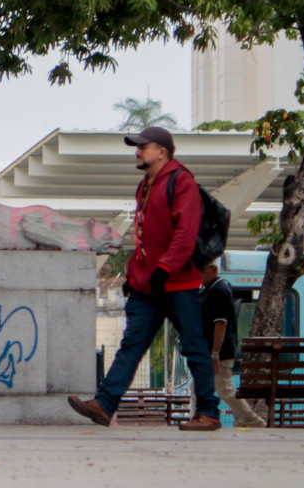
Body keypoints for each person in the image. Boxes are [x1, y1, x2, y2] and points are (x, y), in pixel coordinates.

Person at [68, 126, 222, 431]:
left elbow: (185, 233)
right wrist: (134, 276)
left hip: (178, 283)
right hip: (148, 285)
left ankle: (209, 412)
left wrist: (164, 269)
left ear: (162, 152)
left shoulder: (182, 182)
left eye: (143, 147)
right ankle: (105, 404)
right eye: (137, 147)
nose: (137, 151)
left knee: (194, 348)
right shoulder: (145, 186)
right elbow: (144, 238)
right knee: (131, 345)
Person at [201, 262, 264, 427]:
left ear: (213, 270)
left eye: (201, 270)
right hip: (208, 349)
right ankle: (198, 416)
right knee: (199, 385)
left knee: (225, 389)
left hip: (219, 351)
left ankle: (253, 420)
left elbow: (220, 324)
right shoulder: (209, 289)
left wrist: (215, 353)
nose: (198, 275)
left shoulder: (219, 290)